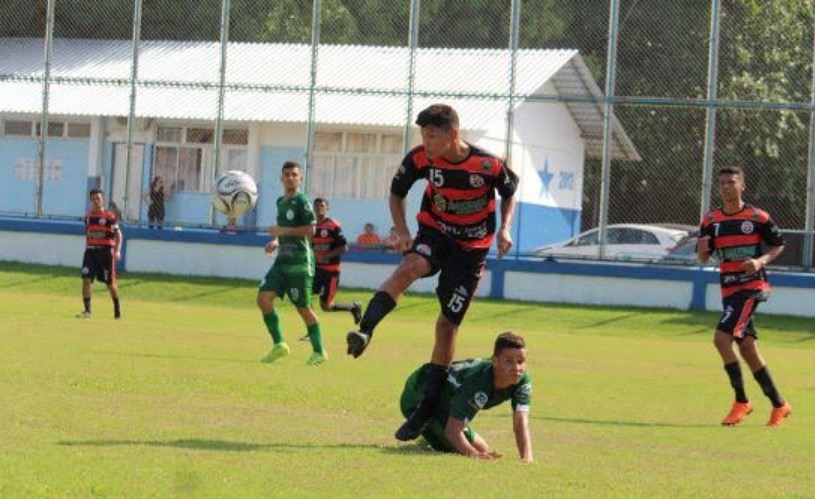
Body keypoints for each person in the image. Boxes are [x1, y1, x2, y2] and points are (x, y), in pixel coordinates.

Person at [346, 103, 519, 441]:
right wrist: (400, 229)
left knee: (446, 326)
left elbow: (509, 191)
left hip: (471, 252)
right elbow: (398, 192)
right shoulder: (420, 159)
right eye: (423, 136)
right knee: (410, 265)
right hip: (435, 234)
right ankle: (366, 329)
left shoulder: (487, 164)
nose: (425, 142)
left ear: (454, 135)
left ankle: (427, 406)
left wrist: (505, 228)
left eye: (432, 136)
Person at [698, 165, 791, 427]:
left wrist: (760, 261)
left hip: (752, 287)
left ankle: (742, 401)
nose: (726, 186)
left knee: (720, 339)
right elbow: (703, 256)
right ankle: (779, 404)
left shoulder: (757, 217)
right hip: (728, 288)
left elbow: (779, 243)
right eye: (723, 183)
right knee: (747, 348)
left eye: (731, 182)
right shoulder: (710, 220)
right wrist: (702, 251)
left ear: (742, 186)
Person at [400, 331, 533, 462]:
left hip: (447, 403)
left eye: (521, 361)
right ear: (495, 361)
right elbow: (452, 430)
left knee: (483, 449)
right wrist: (474, 455)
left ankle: (434, 432)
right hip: (417, 394)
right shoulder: (479, 381)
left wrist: (526, 458)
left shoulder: (522, 380)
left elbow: (520, 422)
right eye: (509, 361)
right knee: (454, 448)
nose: (516, 368)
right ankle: (430, 432)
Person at [257, 161, 327, 366]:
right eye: (286, 174)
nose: (290, 178)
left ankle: (319, 351)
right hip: (282, 262)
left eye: (294, 175)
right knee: (263, 299)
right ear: (281, 179)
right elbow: (283, 229)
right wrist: (276, 241)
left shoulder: (302, 201)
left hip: (299, 263)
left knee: (303, 308)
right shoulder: (280, 202)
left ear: (300, 179)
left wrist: (282, 233)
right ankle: (279, 344)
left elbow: (310, 230)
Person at [298, 198, 362, 341]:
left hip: (331, 271)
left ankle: (353, 307)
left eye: (322, 206)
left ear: (327, 208)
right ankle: (312, 331)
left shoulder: (333, 225)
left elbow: (344, 247)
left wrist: (326, 255)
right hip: (314, 270)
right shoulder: (310, 227)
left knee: (326, 306)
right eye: (317, 206)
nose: (319, 208)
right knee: (305, 297)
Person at [77, 188, 123, 319]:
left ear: (103, 200)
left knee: (110, 283)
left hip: (105, 254)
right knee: (86, 280)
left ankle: (117, 310)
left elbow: (118, 235)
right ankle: (87, 310)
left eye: (99, 198)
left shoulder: (109, 217)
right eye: (94, 199)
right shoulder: (88, 217)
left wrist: (118, 251)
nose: (97, 201)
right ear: (90, 200)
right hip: (90, 252)